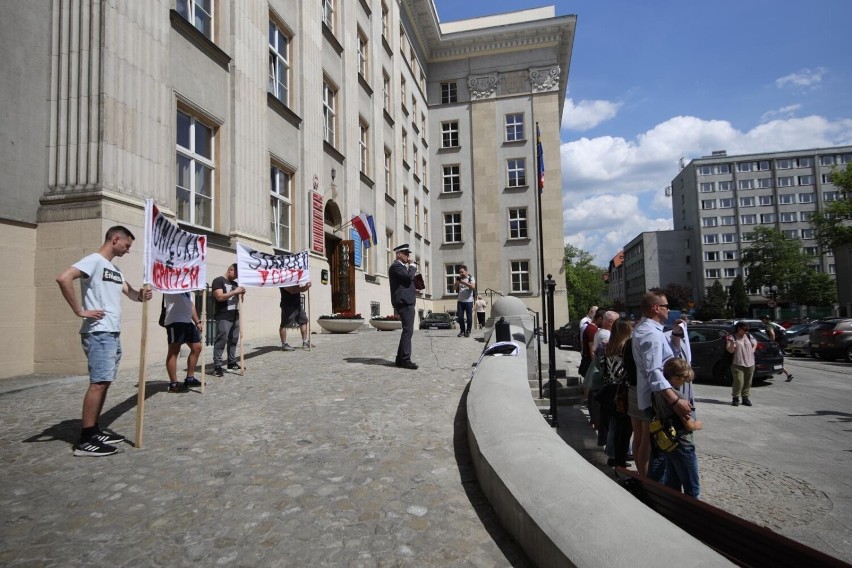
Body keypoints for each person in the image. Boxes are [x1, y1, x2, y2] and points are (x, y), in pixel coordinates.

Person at [56, 226, 153, 457]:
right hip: (98, 332)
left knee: (105, 381)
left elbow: (131, 293)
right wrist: (80, 310)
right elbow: (63, 278)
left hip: (111, 332)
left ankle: (95, 429)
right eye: (127, 245)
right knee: (98, 382)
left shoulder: (114, 269)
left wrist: (142, 295)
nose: (128, 250)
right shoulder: (94, 261)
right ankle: (85, 439)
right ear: (115, 239)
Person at [631, 291, 691, 479]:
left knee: (652, 443)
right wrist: (674, 401)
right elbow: (654, 371)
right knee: (659, 447)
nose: (669, 309)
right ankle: (653, 489)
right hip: (657, 401)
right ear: (656, 308)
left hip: (651, 397)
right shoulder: (651, 334)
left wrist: (675, 334)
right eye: (666, 306)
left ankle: (651, 483)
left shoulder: (648, 330)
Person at [655, 358, 703, 498]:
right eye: (684, 380)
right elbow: (688, 424)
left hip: (669, 443)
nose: (684, 383)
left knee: (672, 483)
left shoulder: (659, 391)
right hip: (683, 443)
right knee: (692, 488)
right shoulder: (678, 397)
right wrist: (698, 424)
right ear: (675, 378)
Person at [601, 318, 634, 468]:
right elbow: (621, 372)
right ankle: (619, 457)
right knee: (624, 428)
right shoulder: (623, 346)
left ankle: (613, 455)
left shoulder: (610, 346)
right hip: (621, 390)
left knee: (614, 426)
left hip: (610, 389)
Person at [163, 292, 203, 393]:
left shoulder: (189, 289)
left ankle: (190, 378)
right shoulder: (172, 281)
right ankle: (173, 383)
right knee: (174, 351)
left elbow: (191, 305)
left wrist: (197, 321)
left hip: (187, 321)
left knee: (197, 347)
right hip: (175, 320)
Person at [212, 264, 245, 376]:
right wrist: (235, 292)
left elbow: (240, 301)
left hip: (235, 315)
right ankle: (217, 365)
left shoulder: (235, 284)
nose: (236, 277)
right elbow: (219, 297)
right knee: (222, 340)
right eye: (236, 274)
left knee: (234, 340)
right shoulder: (218, 280)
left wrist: (241, 294)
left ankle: (231, 362)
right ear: (230, 270)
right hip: (223, 315)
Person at [389, 244, 418, 370]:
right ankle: (405, 359)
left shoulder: (401, 267)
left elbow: (407, 281)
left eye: (408, 253)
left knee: (407, 330)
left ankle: (400, 359)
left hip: (407, 301)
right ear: (398, 254)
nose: (408, 256)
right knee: (408, 331)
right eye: (405, 253)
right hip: (404, 302)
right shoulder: (396, 266)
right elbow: (407, 278)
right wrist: (412, 266)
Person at [727, 321, 757, 406]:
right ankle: (735, 398)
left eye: (747, 329)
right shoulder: (732, 337)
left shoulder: (748, 336)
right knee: (739, 381)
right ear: (739, 329)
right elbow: (730, 350)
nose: (746, 331)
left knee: (748, 382)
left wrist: (752, 351)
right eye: (744, 329)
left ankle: (745, 398)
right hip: (737, 363)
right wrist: (732, 343)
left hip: (750, 362)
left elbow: (755, 343)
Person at [280, 282, 313, 351]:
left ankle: (305, 341)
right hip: (287, 305)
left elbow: (299, 289)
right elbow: (292, 291)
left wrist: (307, 287)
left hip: (297, 305)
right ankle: (284, 344)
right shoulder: (283, 281)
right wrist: (304, 288)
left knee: (303, 321)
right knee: (284, 324)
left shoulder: (295, 280)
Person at [761, 315, 793, 381]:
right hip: (778, 344)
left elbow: (772, 334)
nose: (762, 321)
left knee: (773, 360)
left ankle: (785, 373)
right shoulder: (772, 324)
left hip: (775, 345)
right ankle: (784, 373)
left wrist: (771, 343)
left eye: (762, 319)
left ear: (765, 319)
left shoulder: (768, 326)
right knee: (775, 360)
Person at [454, 265, 476, 337]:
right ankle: (462, 331)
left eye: (462, 272)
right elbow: (454, 288)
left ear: (466, 271)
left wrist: (464, 283)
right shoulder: (459, 279)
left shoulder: (471, 278)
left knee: (469, 317)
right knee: (460, 317)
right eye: (459, 272)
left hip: (469, 301)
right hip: (460, 301)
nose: (460, 274)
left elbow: (473, 287)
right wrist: (457, 282)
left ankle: (468, 331)